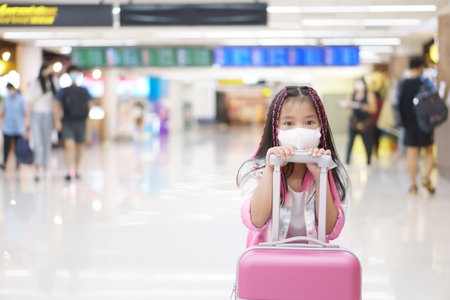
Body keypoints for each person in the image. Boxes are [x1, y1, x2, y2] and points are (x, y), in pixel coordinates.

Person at [237, 86, 349, 248]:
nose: (299, 131)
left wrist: (320, 176)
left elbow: (330, 230)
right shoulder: (256, 169)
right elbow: (256, 220)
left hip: (313, 263)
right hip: (268, 264)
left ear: (321, 127)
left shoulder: (331, 169)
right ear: (275, 128)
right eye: (288, 123)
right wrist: (270, 169)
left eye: (309, 122)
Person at [398, 56, 436, 195]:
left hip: (409, 125)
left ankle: (413, 186)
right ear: (421, 67)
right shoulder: (425, 83)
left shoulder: (404, 83)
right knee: (429, 152)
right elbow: (433, 101)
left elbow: (399, 104)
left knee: (411, 155)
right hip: (425, 124)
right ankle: (426, 177)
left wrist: (404, 122)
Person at [54, 65, 93, 181]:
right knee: (69, 146)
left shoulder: (84, 90)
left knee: (79, 147)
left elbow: (90, 106)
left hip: (81, 122)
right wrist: (57, 121)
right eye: (72, 73)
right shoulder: (63, 91)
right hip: (67, 122)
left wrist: (89, 123)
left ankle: (76, 170)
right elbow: (56, 105)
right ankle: (69, 170)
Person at [26, 63, 58, 181]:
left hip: (48, 115)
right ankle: (38, 166)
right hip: (36, 115)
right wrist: (27, 119)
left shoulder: (54, 83)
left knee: (46, 142)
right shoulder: (35, 84)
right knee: (38, 142)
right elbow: (29, 102)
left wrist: (57, 119)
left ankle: (44, 166)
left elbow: (56, 103)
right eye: (45, 70)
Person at [344, 77, 377, 165]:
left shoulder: (369, 94)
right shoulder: (352, 94)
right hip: (354, 122)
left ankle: (368, 162)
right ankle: (347, 162)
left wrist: (363, 106)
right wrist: (348, 105)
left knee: (367, 143)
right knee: (350, 142)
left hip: (366, 122)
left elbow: (374, 109)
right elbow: (347, 104)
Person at [0, 83, 27, 170]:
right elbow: (3, 112)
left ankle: (18, 162)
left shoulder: (21, 100)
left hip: (18, 127)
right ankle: (4, 162)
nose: (10, 91)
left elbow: (25, 113)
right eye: (8, 89)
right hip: (7, 127)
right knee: (6, 146)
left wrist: (26, 125)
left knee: (18, 146)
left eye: (11, 89)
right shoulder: (6, 100)